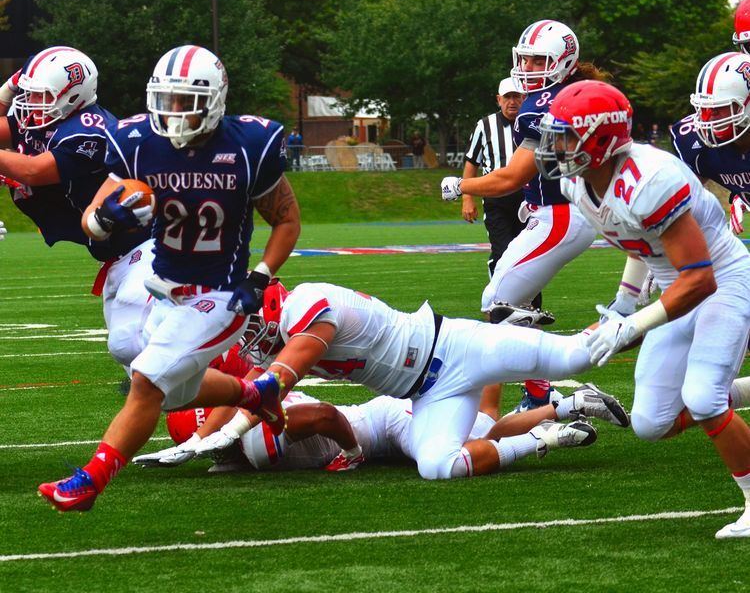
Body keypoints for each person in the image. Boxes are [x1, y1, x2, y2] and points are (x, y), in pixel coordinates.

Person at [38, 45, 301, 512]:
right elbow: (91, 221)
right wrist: (108, 218)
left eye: (185, 100)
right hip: (163, 291)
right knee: (175, 392)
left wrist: (260, 278)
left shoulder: (248, 146)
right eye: (166, 98)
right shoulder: (139, 140)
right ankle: (256, 392)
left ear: (215, 100)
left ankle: (89, 481)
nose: (173, 111)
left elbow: (287, 220)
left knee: (145, 382)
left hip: (221, 297)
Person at [535, 79, 750, 539]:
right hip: (678, 287)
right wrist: (624, 303)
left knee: (705, 400)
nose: (556, 146)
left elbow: (700, 276)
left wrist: (633, 325)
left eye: (568, 134)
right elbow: (639, 242)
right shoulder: (580, 183)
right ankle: (743, 391)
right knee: (652, 423)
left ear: (601, 137)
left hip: (722, 280)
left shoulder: (649, 179)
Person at [221, 278, 629, 482]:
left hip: (454, 347)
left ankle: (643, 314)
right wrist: (199, 441)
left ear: (272, 305)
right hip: (427, 393)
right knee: (438, 466)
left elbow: (268, 389)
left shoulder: (306, 308)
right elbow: (247, 389)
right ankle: (542, 438)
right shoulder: (285, 343)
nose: (250, 338)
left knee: (575, 356)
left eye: (251, 324)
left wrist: (229, 431)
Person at [441, 20, 602, 410]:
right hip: (559, 210)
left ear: (563, 62)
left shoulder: (544, 105)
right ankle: (537, 392)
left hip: (561, 215)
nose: (528, 68)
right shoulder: (561, 94)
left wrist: (460, 186)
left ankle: (549, 389)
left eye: (537, 61)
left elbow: (511, 177)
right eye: (525, 59)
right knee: (511, 305)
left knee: (497, 299)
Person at [0, 46, 155, 368]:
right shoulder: (42, 115)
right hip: (114, 254)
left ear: (72, 96)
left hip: (146, 245)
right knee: (131, 355)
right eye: (29, 93)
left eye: (41, 95)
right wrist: (6, 92)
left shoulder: (90, 128)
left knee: (134, 345)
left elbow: (34, 171)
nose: (31, 103)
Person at [133, 383, 615, 474]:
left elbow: (325, 416)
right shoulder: (251, 431)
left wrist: (352, 452)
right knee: (477, 432)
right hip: (379, 422)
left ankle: (497, 359)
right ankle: (568, 405)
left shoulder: (253, 444)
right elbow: (320, 416)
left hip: (383, 424)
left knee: (473, 441)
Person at [461, 76, 536, 417]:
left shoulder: (532, 117)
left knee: (534, 256)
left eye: (517, 96)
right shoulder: (485, 126)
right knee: (505, 254)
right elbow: (472, 160)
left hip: (528, 197)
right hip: (497, 199)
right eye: (508, 97)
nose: (512, 102)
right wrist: (467, 195)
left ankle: (530, 307)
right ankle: (503, 304)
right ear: (498, 99)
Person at [671, 52, 750, 236]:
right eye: (705, 108)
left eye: (720, 108)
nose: (708, 118)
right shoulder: (695, 142)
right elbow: (672, 207)